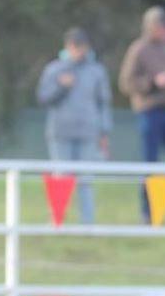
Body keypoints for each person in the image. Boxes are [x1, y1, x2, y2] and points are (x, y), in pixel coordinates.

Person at [119, 6, 165, 223]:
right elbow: (126, 83)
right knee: (149, 164)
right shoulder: (138, 50)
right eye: (163, 27)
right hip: (150, 111)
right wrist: (152, 83)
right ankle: (147, 212)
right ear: (152, 27)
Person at [36, 27, 112, 226]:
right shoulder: (54, 69)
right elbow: (43, 98)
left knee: (85, 179)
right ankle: (57, 220)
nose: (78, 51)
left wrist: (104, 132)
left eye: (81, 46)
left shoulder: (96, 71)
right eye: (74, 46)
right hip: (60, 132)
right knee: (61, 178)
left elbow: (103, 103)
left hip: (88, 132)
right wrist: (62, 86)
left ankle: (87, 223)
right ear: (67, 47)